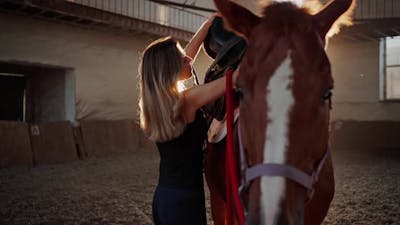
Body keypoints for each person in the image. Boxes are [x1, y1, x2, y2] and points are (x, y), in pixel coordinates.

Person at [138, 14, 238, 225]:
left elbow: (187, 57)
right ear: (170, 68)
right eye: (181, 58)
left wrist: (207, 26)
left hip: (164, 198)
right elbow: (234, 80)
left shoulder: (158, 103)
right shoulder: (189, 100)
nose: (188, 59)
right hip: (186, 203)